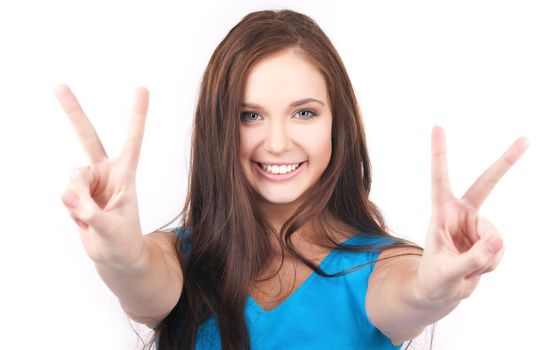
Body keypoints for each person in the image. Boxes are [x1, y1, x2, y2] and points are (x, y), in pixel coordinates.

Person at [55, 9, 528, 350]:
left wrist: (437, 284)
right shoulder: (177, 262)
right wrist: (118, 254)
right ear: (219, 128)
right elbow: (139, 276)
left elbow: (413, 294)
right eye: (249, 115)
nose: (277, 142)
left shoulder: (382, 268)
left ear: (337, 124)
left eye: (304, 112)